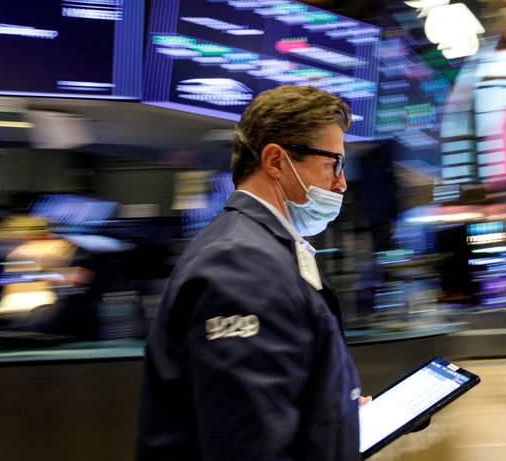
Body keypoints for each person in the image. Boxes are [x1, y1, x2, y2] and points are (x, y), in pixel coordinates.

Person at [137, 85, 365, 460]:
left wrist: (335, 411)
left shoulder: (265, 247)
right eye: (333, 163)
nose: (341, 183)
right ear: (275, 161)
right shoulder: (239, 263)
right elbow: (248, 446)